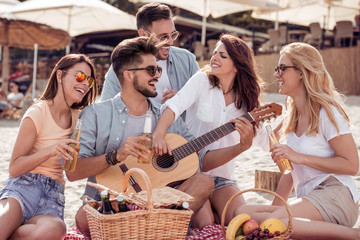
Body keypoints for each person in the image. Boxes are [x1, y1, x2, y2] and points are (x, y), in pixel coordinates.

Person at [67, 36, 255, 237]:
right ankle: (156, 223)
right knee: (83, 220)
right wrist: (115, 156)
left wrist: (240, 147)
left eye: (158, 69)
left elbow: (201, 159)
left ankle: (150, 222)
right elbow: (72, 172)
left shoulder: (165, 117)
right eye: (151, 70)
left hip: (158, 199)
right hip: (113, 202)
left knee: (204, 182)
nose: (157, 75)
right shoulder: (95, 114)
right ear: (128, 75)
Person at [234, 42, 360, 239]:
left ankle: (354, 235)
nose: (277, 74)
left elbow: (352, 165)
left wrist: (300, 157)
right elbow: (290, 174)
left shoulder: (326, 112)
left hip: (335, 194)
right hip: (310, 198)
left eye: (282, 68)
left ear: (302, 72)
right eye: (277, 68)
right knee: (241, 214)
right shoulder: (292, 117)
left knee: (273, 223)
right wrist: (276, 209)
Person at [152, 34, 269, 225]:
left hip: (223, 178)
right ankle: (214, 218)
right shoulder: (201, 81)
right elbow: (173, 107)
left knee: (243, 221)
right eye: (215, 53)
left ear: (237, 65)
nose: (214, 58)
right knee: (205, 223)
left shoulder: (247, 101)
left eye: (222, 56)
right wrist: (158, 134)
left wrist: (279, 137)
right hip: (191, 175)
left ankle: (218, 216)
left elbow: (265, 141)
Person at [0, 54, 97, 239]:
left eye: (89, 80)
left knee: (57, 229)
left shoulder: (80, 118)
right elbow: (14, 168)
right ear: (59, 76)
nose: (85, 84)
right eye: (80, 76)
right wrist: (50, 150)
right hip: (23, 188)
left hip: (53, 196)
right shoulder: (37, 113)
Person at [100, 2, 199, 105]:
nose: (170, 42)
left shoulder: (187, 60)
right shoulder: (120, 67)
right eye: (163, 37)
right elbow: (107, 110)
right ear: (143, 34)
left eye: (173, 35)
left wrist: (183, 100)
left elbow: (203, 101)